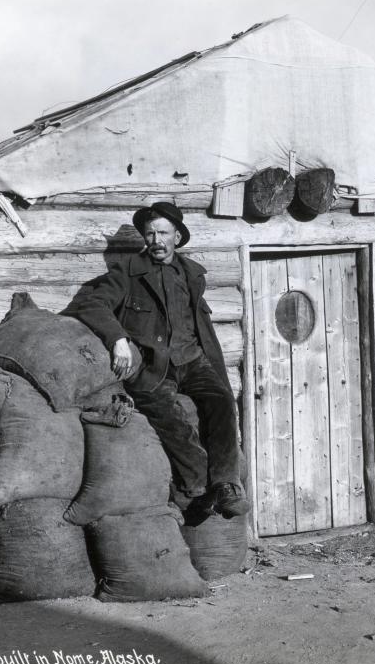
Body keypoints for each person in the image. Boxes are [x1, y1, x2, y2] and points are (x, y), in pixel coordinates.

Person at [64, 202, 250, 517]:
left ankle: (226, 485)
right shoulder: (127, 273)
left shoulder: (191, 274)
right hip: (154, 367)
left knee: (221, 402)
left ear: (177, 236)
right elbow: (91, 303)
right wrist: (118, 339)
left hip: (192, 359)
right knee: (171, 417)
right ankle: (197, 487)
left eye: (163, 233)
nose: (156, 241)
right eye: (149, 234)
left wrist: (209, 364)